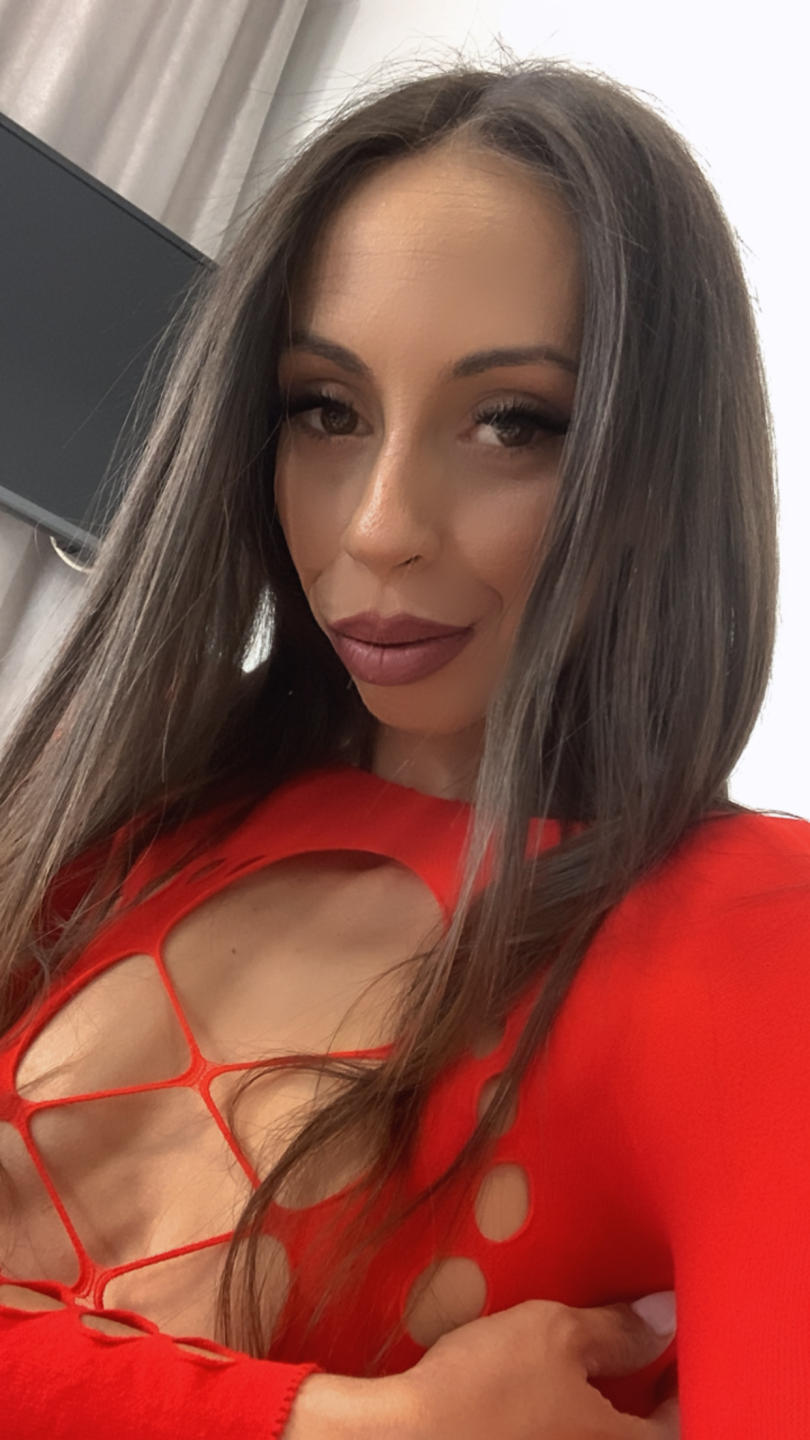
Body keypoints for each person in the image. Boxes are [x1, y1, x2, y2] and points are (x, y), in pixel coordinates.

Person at [0, 53, 807, 1440]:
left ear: (655, 469)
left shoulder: (747, 936)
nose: (378, 527)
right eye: (327, 408)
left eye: (511, 424)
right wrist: (343, 1427)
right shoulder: (128, 795)